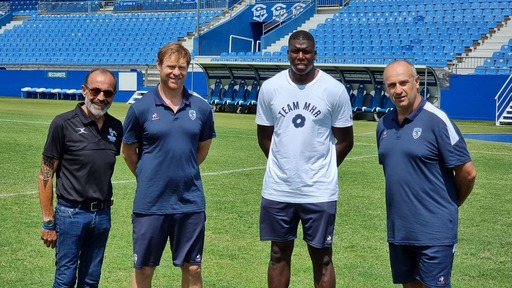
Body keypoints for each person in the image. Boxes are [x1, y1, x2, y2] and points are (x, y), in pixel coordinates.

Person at [255, 30, 354, 288]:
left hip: (319, 192)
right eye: (295, 51)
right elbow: (265, 137)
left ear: (314, 53)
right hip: (279, 189)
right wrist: (285, 166)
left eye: (306, 51)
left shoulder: (334, 90)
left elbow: (345, 140)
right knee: (278, 253)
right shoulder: (271, 88)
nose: (301, 56)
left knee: (322, 258)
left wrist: (321, 169)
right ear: (287, 52)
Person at [122, 42, 215, 288]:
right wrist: (147, 175)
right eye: (171, 66)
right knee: (144, 268)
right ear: (159, 66)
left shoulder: (201, 108)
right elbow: (128, 152)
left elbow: (202, 148)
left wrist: (184, 170)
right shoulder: (140, 108)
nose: (176, 72)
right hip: (150, 202)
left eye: (182, 67)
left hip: (189, 202)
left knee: (193, 267)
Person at [376, 60, 477, 288]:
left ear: (417, 82)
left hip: (434, 233)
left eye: (403, 83)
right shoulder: (383, 125)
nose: (398, 90)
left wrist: (450, 204)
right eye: (392, 85)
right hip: (400, 230)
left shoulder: (437, 120)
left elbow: (467, 173)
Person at [38, 68, 123, 287]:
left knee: (91, 280)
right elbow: (46, 173)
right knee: (65, 279)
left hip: (102, 216)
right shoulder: (63, 123)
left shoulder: (116, 127)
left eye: (108, 93)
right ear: (84, 90)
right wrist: (48, 221)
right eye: (95, 91)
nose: (101, 97)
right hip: (71, 214)